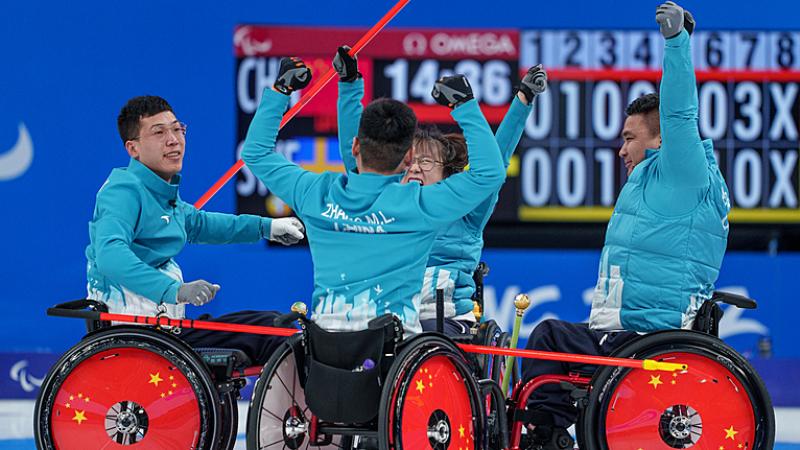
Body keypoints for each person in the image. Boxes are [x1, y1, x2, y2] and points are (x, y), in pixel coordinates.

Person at [519, 3, 731, 449]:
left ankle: (548, 437)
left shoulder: (684, 172)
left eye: (629, 137)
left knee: (547, 338)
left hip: (647, 338)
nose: (621, 149)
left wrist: (677, 43)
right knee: (550, 337)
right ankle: (549, 433)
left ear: (660, 140)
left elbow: (679, 114)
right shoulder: (648, 183)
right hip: (621, 332)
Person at [241, 56, 505, 334]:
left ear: (356, 147)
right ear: (409, 158)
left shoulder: (315, 194)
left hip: (325, 354)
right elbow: (490, 173)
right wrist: (464, 105)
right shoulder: (420, 206)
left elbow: (256, 152)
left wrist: (283, 89)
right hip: (396, 357)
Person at [333, 45, 548, 334]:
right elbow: (357, 155)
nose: (416, 168)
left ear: (447, 173)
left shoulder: (464, 209)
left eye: (426, 160)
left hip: (442, 322)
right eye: (410, 161)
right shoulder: (386, 201)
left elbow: (498, 158)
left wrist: (523, 100)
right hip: (385, 315)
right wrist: (349, 84)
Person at [85, 95, 306, 365]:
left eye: (177, 129)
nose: (173, 139)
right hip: (140, 339)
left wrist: (266, 227)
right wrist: (175, 290)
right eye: (159, 132)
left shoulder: (162, 194)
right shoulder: (123, 191)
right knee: (269, 332)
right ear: (133, 149)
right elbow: (109, 254)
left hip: (166, 331)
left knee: (275, 323)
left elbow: (201, 224)